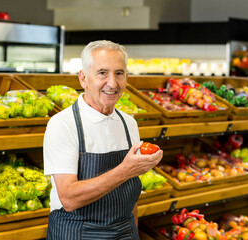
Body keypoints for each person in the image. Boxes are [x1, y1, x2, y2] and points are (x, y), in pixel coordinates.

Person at [43, 40, 163, 239]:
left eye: (119, 73)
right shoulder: (63, 125)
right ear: (83, 78)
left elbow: (130, 198)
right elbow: (69, 198)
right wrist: (124, 171)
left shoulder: (129, 124)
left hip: (125, 233)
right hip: (76, 233)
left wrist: (134, 230)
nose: (112, 83)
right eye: (102, 73)